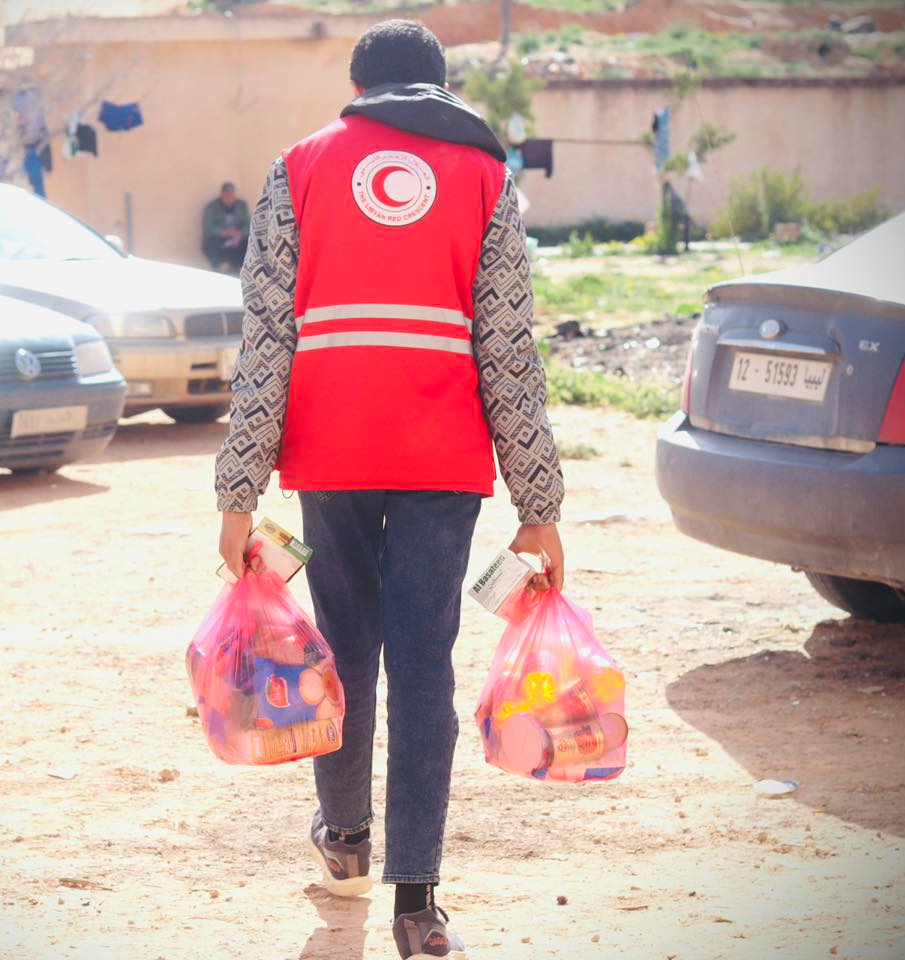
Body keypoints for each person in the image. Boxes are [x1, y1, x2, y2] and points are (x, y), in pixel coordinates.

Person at [213, 19, 565, 960]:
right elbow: (509, 349)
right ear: (440, 89)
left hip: (330, 450)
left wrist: (238, 491)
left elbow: (267, 342)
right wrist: (540, 506)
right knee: (422, 665)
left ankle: (347, 842)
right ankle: (418, 903)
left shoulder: (300, 168)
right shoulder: (488, 178)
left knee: (346, 650)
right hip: (442, 459)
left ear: (360, 86)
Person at [201, 181, 250, 273]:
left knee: (247, 243)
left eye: (231, 194)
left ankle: (237, 268)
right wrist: (223, 232)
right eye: (226, 194)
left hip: (237, 238)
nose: (229, 197)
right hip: (219, 238)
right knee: (209, 243)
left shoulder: (242, 205)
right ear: (221, 194)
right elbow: (207, 227)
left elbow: (248, 225)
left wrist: (239, 234)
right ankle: (216, 267)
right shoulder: (212, 206)